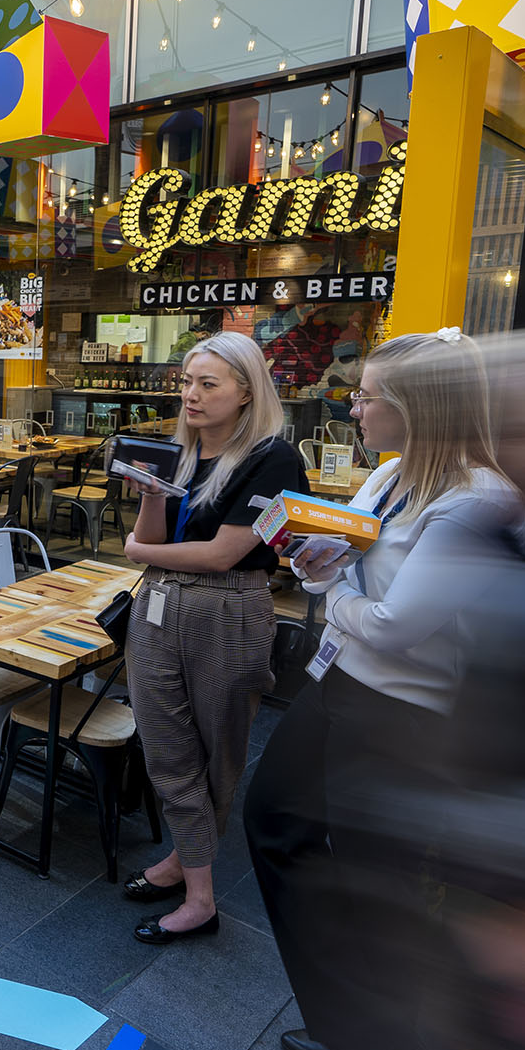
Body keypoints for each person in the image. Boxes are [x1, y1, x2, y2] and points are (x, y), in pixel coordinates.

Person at [243, 328, 525, 1050]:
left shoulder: (477, 500)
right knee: (274, 823)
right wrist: (315, 562)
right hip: (340, 683)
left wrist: (331, 593)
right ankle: (350, 1020)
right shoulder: (395, 474)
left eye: (369, 395)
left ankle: (379, 1046)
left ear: (419, 406)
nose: (353, 405)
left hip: (403, 716)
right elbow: (346, 559)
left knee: (376, 882)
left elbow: (399, 625)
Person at [120, 331, 306, 944]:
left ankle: (195, 890)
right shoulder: (180, 452)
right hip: (158, 604)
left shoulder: (274, 459)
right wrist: (150, 498)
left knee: (217, 753)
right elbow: (154, 535)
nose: (191, 396)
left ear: (247, 392)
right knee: (165, 745)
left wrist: (141, 550)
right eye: (186, 382)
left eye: (208, 384)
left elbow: (226, 555)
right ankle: (188, 870)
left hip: (229, 615)